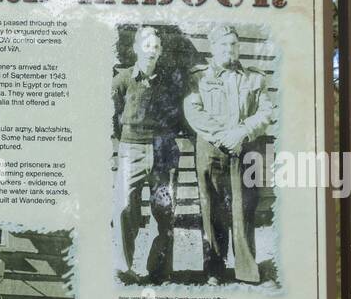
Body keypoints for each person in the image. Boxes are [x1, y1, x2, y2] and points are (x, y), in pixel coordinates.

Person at [182, 25, 275, 284]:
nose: (228, 49)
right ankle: (214, 270)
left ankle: (246, 270)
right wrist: (223, 136)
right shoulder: (198, 78)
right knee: (212, 209)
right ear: (212, 48)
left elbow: (265, 112)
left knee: (244, 208)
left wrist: (242, 133)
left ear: (238, 47)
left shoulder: (254, 78)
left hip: (245, 150)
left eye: (233, 45)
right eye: (223, 45)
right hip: (211, 150)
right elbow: (194, 111)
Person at [112, 26, 182, 282]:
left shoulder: (167, 82)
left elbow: (175, 118)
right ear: (136, 49)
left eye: (156, 47)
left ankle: (158, 269)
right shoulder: (123, 80)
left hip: (161, 153)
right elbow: (110, 116)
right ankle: (123, 268)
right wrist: (115, 149)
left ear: (160, 52)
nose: (151, 51)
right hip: (131, 150)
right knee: (123, 208)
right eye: (147, 46)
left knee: (164, 210)